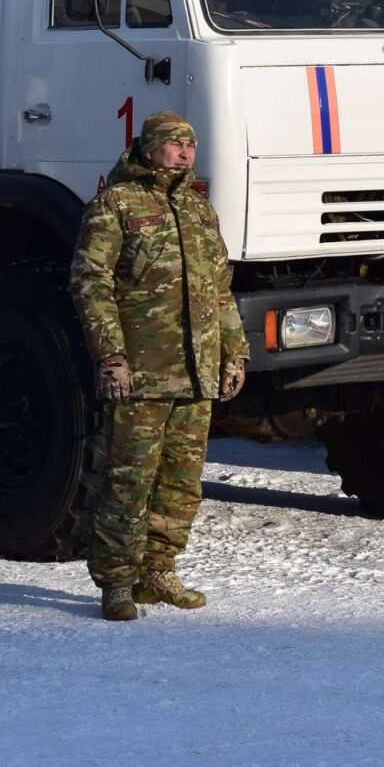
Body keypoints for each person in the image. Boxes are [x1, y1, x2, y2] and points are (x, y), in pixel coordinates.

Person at [70, 111, 246, 621]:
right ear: (149, 148)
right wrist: (112, 356)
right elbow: (91, 283)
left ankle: (158, 570)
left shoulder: (199, 210)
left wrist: (234, 353)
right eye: (175, 144)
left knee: (181, 482)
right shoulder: (115, 205)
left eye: (191, 144)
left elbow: (220, 292)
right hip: (141, 374)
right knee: (128, 480)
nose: (186, 153)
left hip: (197, 374)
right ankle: (117, 583)